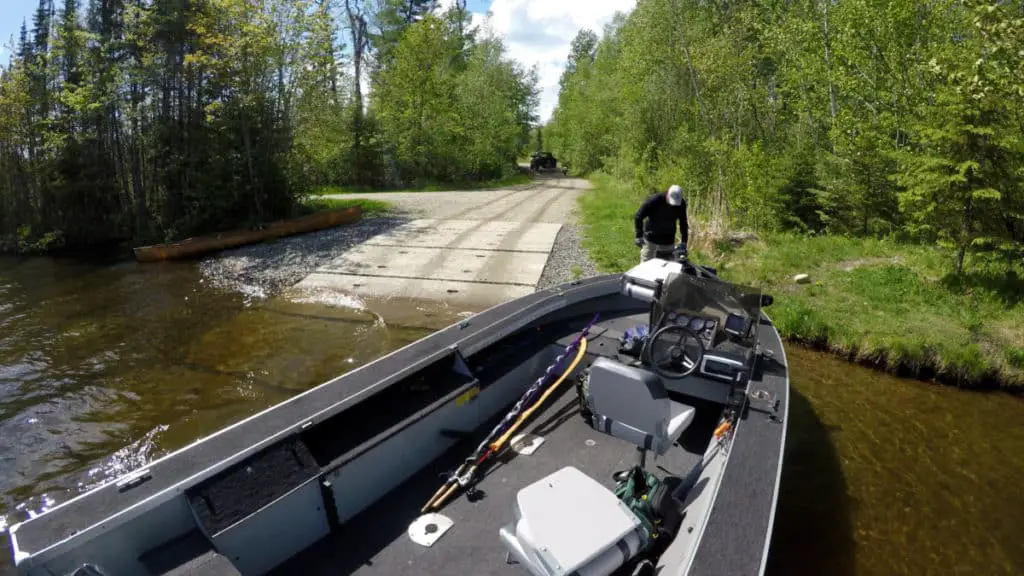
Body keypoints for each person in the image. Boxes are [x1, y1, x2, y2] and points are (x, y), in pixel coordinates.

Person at [634, 184, 688, 262]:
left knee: (666, 267)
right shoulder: (655, 200)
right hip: (651, 239)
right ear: (668, 195)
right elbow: (639, 216)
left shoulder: (681, 204)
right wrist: (638, 236)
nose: (673, 206)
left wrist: (684, 242)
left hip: (668, 241)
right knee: (646, 265)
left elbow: (683, 223)